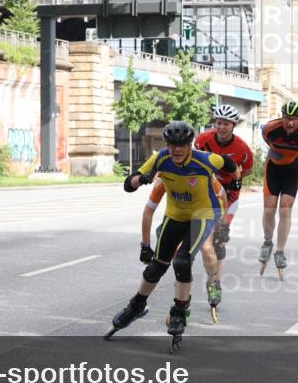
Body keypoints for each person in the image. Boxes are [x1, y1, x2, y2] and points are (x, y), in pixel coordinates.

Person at [107, 121, 241, 350]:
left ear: (190, 145)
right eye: (172, 145)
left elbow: (231, 165)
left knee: (182, 260)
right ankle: (137, 306)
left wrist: (236, 180)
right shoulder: (161, 159)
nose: (176, 150)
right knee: (156, 267)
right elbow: (128, 185)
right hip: (175, 215)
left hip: (203, 215)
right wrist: (141, 179)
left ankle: (179, 310)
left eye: (181, 145)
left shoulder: (205, 159)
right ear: (167, 144)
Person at [140, 173, 227, 322]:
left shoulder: (201, 172)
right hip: (179, 218)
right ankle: (183, 298)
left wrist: (223, 225)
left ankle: (213, 282)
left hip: (203, 214)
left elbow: (223, 196)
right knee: (179, 258)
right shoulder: (164, 178)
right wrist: (145, 246)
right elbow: (148, 212)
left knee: (207, 250)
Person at [193, 104, 254, 316]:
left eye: (226, 124)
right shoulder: (202, 140)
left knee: (219, 238)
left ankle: (216, 283)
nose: (221, 127)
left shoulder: (242, 148)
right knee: (204, 243)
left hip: (229, 194)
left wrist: (234, 182)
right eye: (218, 123)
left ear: (233, 125)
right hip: (207, 192)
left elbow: (246, 170)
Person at [259, 100, 298, 277]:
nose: (290, 123)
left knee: (285, 209)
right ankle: (267, 242)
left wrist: (292, 155)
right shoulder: (270, 128)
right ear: (281, 117)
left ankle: (280, 251)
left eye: (294, 119)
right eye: (286, 118)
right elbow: (266, 139)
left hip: (293, 169)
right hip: (273, 168)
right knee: (269, 208)